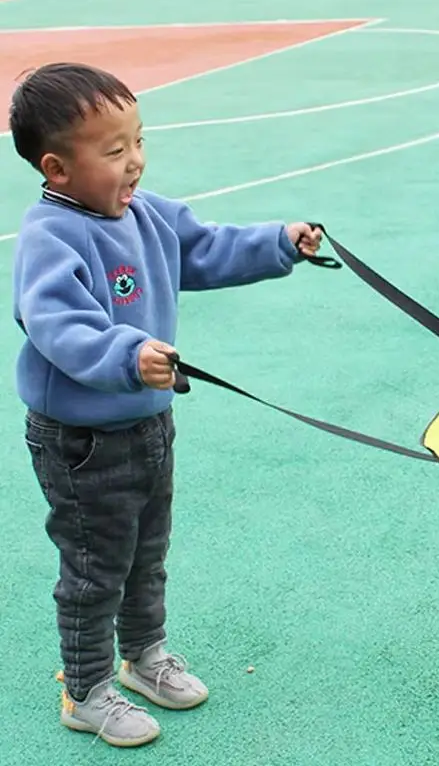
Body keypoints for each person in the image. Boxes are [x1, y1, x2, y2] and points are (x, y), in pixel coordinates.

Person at [9, 62, 323, 748]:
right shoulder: (50, 238)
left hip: (148, 423)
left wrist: (279, 242)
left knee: (147, 552)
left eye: (139, 141)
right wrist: (128, 355)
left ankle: (144, 657)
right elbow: (57, 325)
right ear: (58, 169)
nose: (135, 162)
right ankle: (86, 688)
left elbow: (205, 248)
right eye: (115, 150)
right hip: (81, 441)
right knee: (96, 566)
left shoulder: (147, 216)